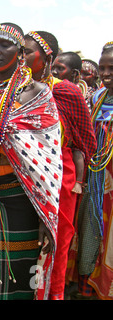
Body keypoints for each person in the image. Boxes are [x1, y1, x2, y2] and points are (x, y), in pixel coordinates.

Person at [0, 23, 63, 300]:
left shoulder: (36, 94)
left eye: (5, 45)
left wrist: (44, 212)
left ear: (21, 54)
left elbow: (48, 158)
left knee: (20, 273)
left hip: (21, 198)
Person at [24, 30, 97, 300]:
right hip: (22, 177)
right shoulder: (14, 89)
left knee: (55, 242)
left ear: (47, 57)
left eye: (28, 53)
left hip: (59, 176)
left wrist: (77, 177)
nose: (22, 58)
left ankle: (52, 295)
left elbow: (86, 140)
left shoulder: (65, 91)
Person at [71, 41, 113, 300]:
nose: (106, 73)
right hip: (96, 178)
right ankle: (89, 286)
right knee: (91, 231)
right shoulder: (96, 98)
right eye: (103, 68)